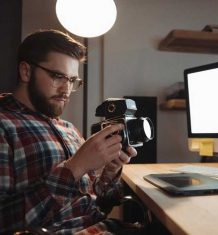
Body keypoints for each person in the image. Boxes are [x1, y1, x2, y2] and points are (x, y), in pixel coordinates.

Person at [0, 29, 137, 234]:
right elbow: (4, 220)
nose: (66, 90)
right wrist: (76, 166)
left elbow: (96, 201)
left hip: (101, 227)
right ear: (26, 71)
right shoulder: (5, 125)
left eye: (72, 80)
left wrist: (108, 174)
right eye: (58, 76)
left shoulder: (69, 128)